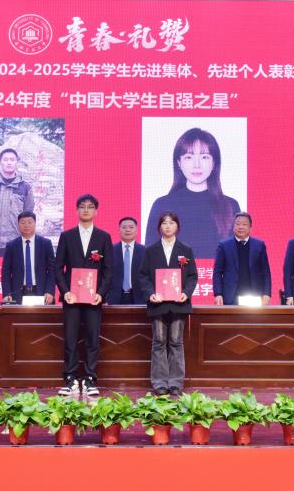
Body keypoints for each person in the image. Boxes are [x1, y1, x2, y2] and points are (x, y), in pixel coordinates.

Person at [145, 128, 241, 258]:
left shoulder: (230, 206)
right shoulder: (162, 205)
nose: (197, 165)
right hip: (175, 272)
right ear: (179, 162)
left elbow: (236, 258)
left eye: (204, 157)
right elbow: (150, 258)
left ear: (214, 163)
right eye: (189, 157)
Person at [54, 194, 113, 397]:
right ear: (77, 210)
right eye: (82, 206)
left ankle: (89, 378)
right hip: (71, 298)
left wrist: (101, 293)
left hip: (93, 298)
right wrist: (65, 292)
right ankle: (70, 378)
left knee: (92, 339)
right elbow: (58, 267)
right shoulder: (67, 236)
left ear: (96, 211)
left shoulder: (103, 237)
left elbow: (108, 270)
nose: (86, 210)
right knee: (70, 338)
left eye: (90, 207)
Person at [138, 211, 198, 396]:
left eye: (171, 222)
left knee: (176, 341)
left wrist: (186, 293)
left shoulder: (185, 249)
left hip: (179, 303)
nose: (168, 226)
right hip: (158, 303)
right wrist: (150, 294)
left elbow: (192, 276)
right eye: (164, 223)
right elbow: (143, 276)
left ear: (177, 226)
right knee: (158, 342)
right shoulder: (150, 250)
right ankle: (159, 382)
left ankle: (176, 382)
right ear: (159, 227)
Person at [0, 147, 35, 253]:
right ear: (0, 162)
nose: (9, 162)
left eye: (12, 159)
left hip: (16, 241)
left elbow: (28, 213)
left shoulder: (25, 187)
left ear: (16, 162)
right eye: (5, 159)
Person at [213, 212, 271, 305]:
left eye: (244, 224)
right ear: (233, 227)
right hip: (230, 296)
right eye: (238, 224)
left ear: (250, 227)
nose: (240, 227)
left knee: (252, 316)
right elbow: (217, 272)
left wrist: (267, 293)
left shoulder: (259, 245)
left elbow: (266, 272)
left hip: (254, 295)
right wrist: (218, 294)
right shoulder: (224, 245)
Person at [1, 211, 56, 304]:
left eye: (30, 222)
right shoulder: (11, 245)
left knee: (42, 315)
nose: (26, 225)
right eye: (23, 222)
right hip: (17, 293)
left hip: (42, 292)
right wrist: (7, 293)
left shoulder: (45, 243)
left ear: (35, 223)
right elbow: (6, 272)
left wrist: (50, 291)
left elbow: (52, 270)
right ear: (18, 225)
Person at [107, 216, 143, 305]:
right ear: (119, 230)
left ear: (137, 230)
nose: (127, 230)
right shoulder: (110, 250)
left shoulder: (145, 251)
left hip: (139, 297)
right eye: (124, 227)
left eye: (131, 227)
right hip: (114, 297)